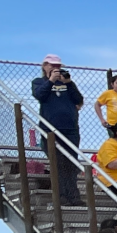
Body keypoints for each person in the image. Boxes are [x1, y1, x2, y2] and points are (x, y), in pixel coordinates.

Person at [33, 56, 83, 203]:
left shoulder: (67, 83)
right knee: (58, 163)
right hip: (50, 129)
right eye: (53, 65)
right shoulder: (39, 82)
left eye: (58, 66)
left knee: (71, 163)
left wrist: (69, 83)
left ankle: (74, 196)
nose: (56, 69)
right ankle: (61, 195)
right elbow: (39, 95)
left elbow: (78, 100)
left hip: (70, 128)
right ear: (45, 66)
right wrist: (51, 81)